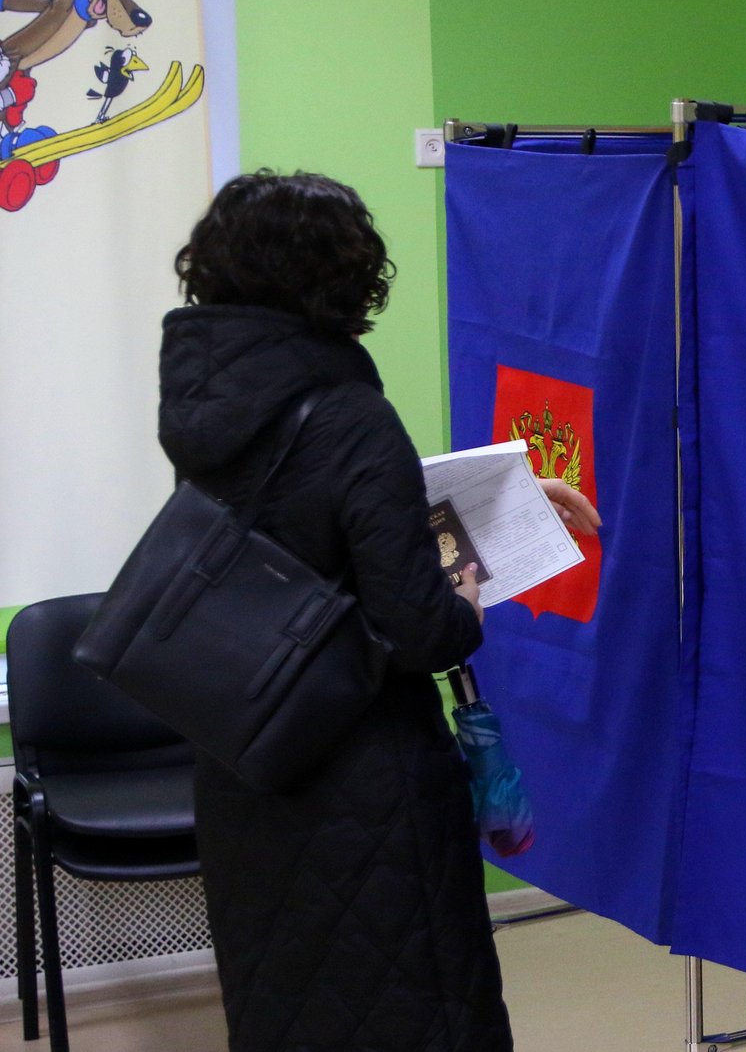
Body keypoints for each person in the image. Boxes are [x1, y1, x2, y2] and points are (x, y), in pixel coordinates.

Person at [159, 171, 599, 1051]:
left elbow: (294, 528)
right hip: (363, 773)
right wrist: (465, 599)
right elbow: (416, 627)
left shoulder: (206, 404)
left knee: (286, 1000)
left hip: (247, 756)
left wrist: (500, 490)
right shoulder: (350, 412)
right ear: (341, 277)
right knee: (415, 1003)